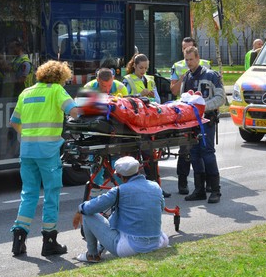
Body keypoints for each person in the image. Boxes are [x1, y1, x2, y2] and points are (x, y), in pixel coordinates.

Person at [9, 60, 78, 257]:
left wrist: (29, 136)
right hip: (48, 152)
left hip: (27, 150)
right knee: (51, 194)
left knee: (28, 194)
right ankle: (49, 241)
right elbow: (74, 111)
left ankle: (19, 240)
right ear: (60, 77)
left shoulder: (27, 92)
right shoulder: (56, 90)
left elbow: (14, 122)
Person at [71, 156, 169, 263]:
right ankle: (99, 249)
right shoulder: (155, 186)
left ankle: (92, 255)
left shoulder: (119, 190)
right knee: (117, 219)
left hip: (131, 247)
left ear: (118, 175)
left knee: (87, 215)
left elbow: (91, 208)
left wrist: (79, 209)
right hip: (159, 242)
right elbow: (161, 207)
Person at [181, 46, 226, 203]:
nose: (189, 63)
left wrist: (202, 107)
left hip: (207, 121)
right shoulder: (186, 77)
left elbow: (221, 98)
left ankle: (215, 191)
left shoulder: (212, 75)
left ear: (198, 58)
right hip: (191, 123)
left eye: (191, 59)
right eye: (186, 60)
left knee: (207, 153)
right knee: (194, 154)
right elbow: (182, 99)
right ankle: (199, 190)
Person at [123, 53, 169, 197]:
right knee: (134, 158)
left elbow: (157, 100)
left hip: (148, 122)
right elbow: (123, 100)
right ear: (134, 66)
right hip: (133, 123)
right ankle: (134, 191)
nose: (143, 71)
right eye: (141, 68)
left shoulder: (150, 80)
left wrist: (151, 96)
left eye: (145, 68)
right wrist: (139, 95)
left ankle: (156, 189)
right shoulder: (128, 80)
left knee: (150, 158)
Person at [169, 37, 211, 194]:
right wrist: (185, 75)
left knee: (204, 149)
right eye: (183, 48)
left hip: (203, 115)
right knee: (185, 150)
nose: (185, 52)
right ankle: (182, 182)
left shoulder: (206, 65)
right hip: (185, 116)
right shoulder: (178, 67)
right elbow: (173, 90)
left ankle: (205, 183)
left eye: (189, 48)